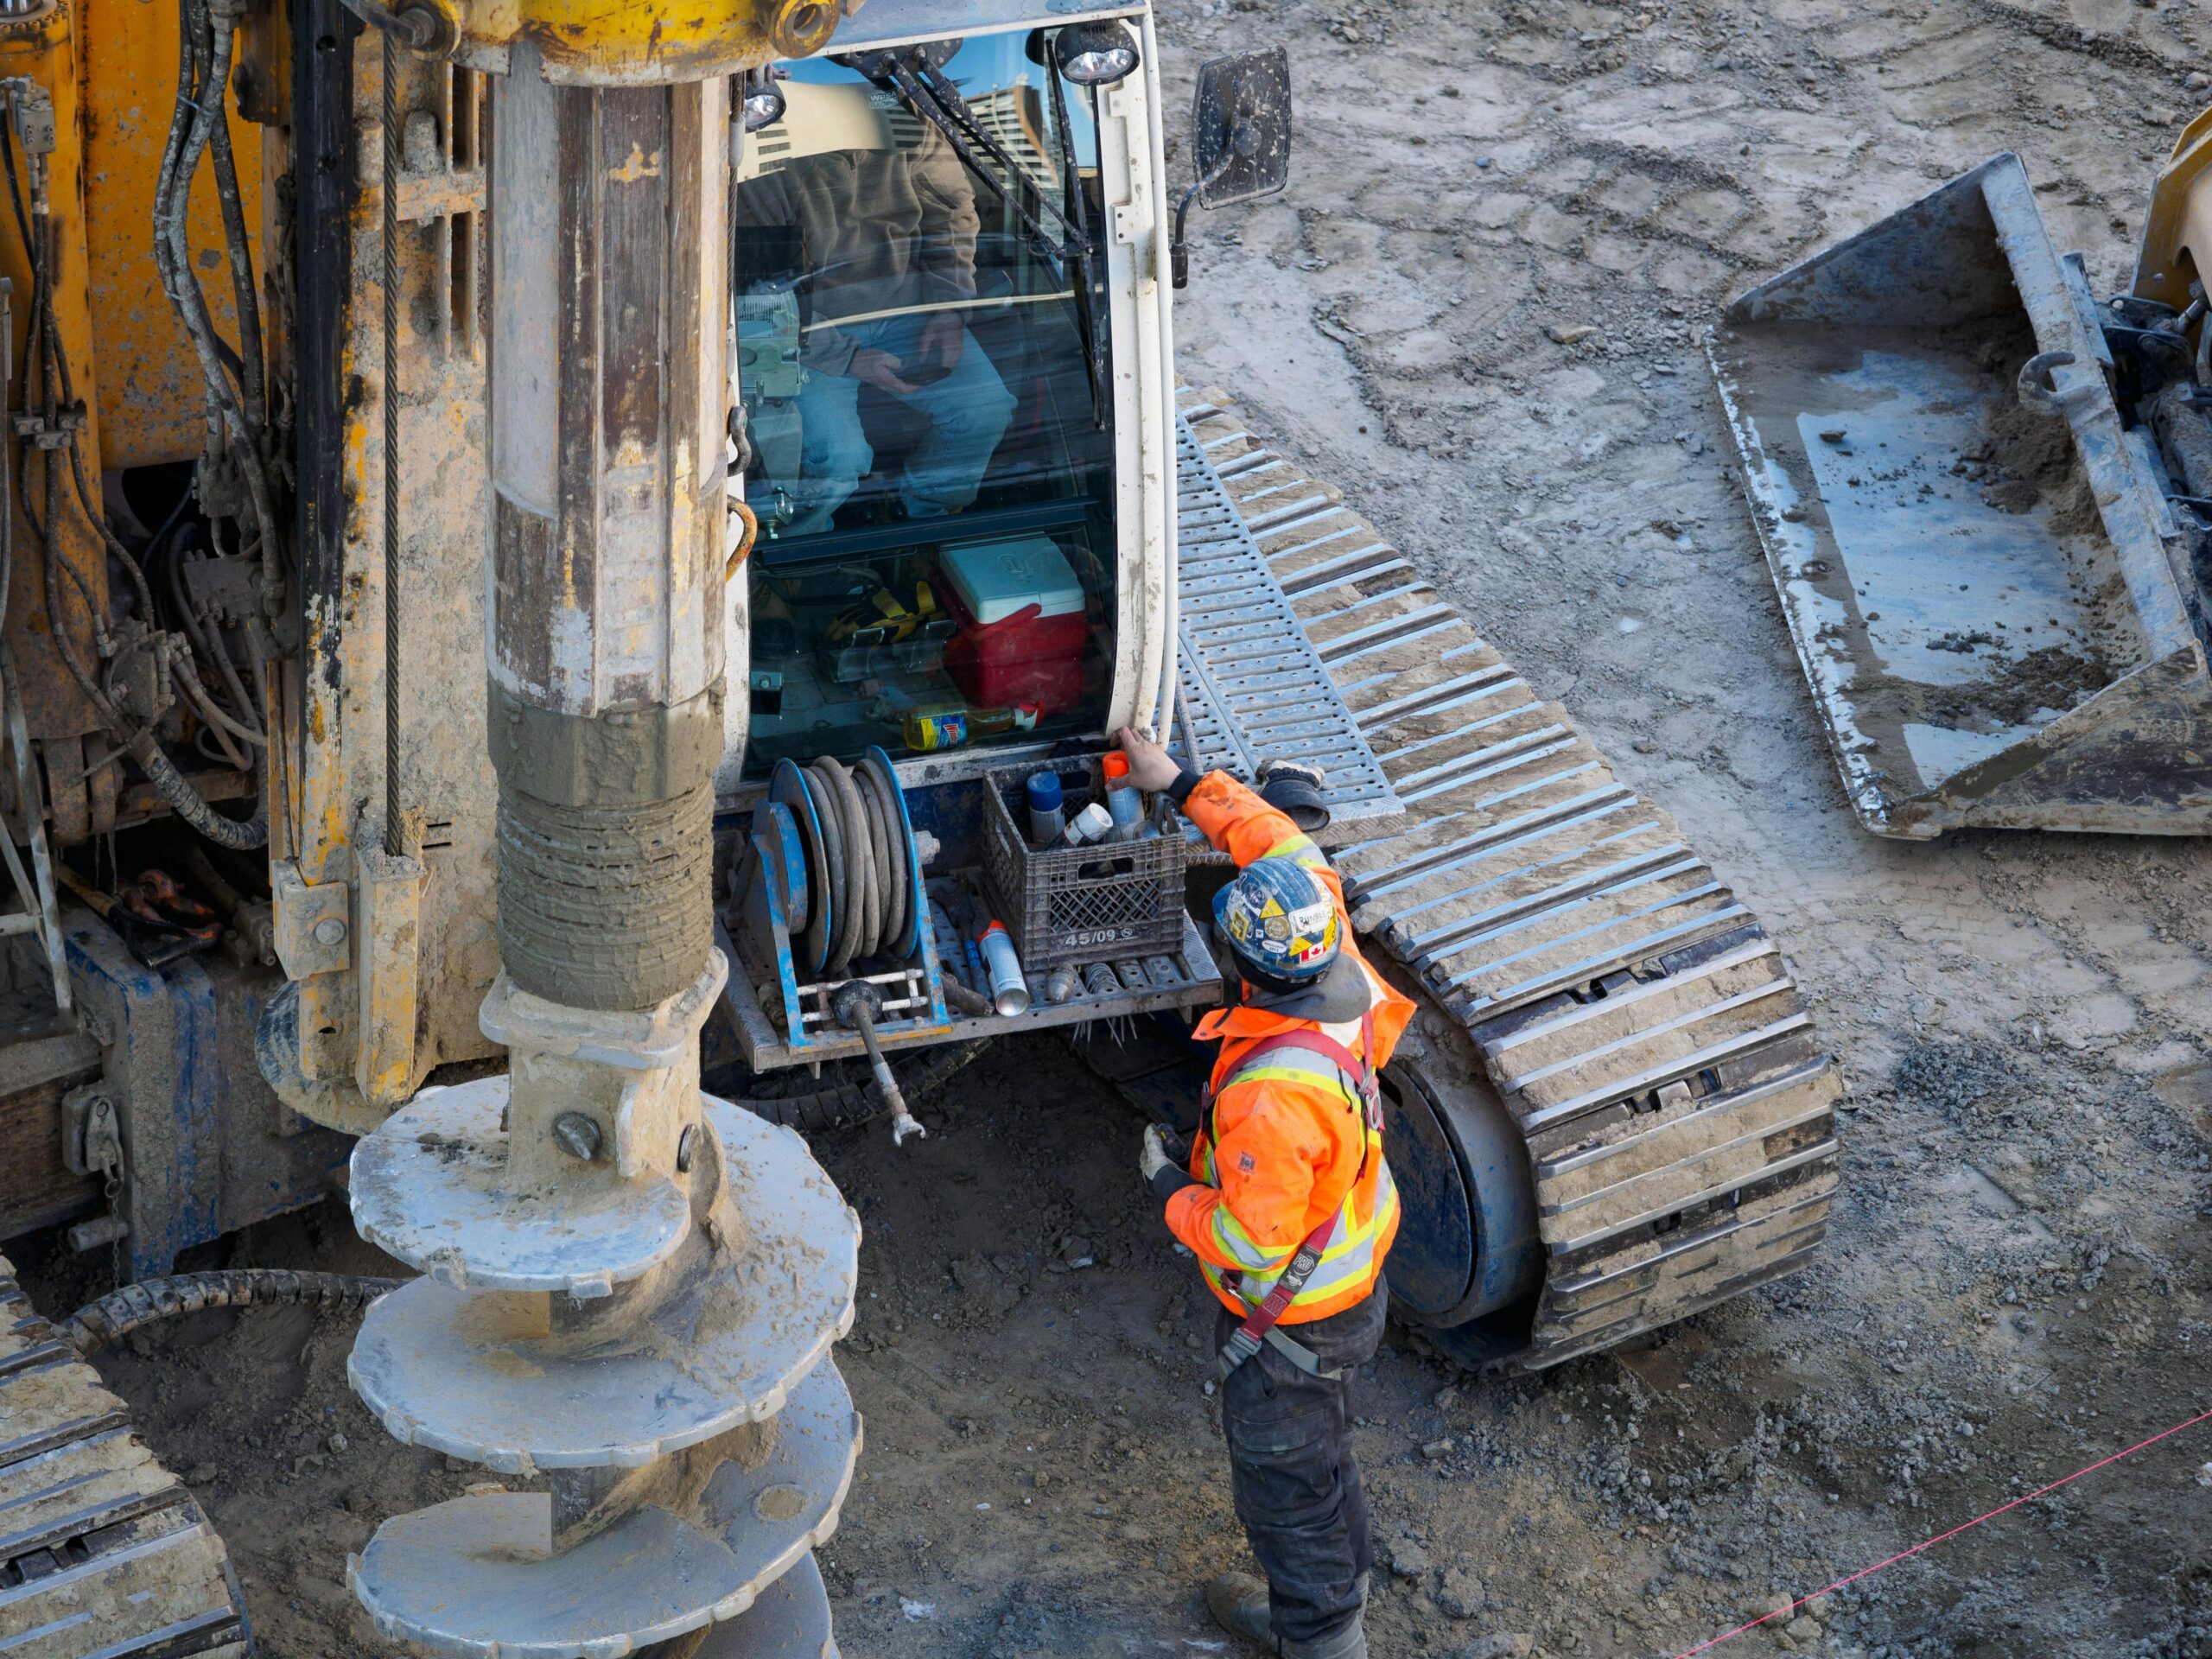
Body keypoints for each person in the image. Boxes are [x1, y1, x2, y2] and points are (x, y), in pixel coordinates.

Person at [1115, 727, 1414, 1659]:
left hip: (1294, 1318)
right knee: (1319, 1467)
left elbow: (1251, 1245)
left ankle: (1322, 1643)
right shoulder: (1336, 964)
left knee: (1288, 1484)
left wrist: (1170, 1190)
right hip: (1344, 1282)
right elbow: (1278, 842)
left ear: (1239, 966)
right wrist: (1184, 784)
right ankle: (1322, 1615)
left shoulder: (1273, 1095)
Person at [734, 73, 1017, 536]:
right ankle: (801, 551)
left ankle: (928, 524)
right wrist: (848, 358)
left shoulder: (902, 115)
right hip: (806, 333)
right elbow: (760, 286)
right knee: (840, 457)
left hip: (909, 310)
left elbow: (951, 211)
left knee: (985, 411)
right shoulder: (763, 144)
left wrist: (949, 310)